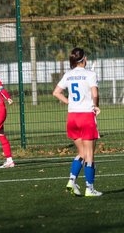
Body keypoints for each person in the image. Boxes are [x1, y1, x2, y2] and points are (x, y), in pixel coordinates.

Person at [53, 47, 102, 197]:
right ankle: (89, 188)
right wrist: (96, 106)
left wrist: (69, 102)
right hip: (86, 116)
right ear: (84, 59)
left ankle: (72, 181)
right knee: (89, 154)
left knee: (81, 152)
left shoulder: (68, 75)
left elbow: (56, 92)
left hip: (72, 117)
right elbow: (95, 93)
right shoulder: (90, 74)